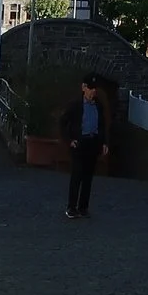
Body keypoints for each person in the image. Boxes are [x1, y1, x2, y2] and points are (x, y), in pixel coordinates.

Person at [58, 76, 108, 219]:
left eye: (94, 89)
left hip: (93, 143)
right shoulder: (75, 105)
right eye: (90, 89)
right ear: (83, 88)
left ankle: (83, 207)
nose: (93, 92)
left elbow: (102, 125)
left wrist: (104, 142)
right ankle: (71, 207)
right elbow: (63, 122)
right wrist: (69, 140)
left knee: (88, 177)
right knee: (77, 175)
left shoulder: (98, 105)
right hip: (79, 143)